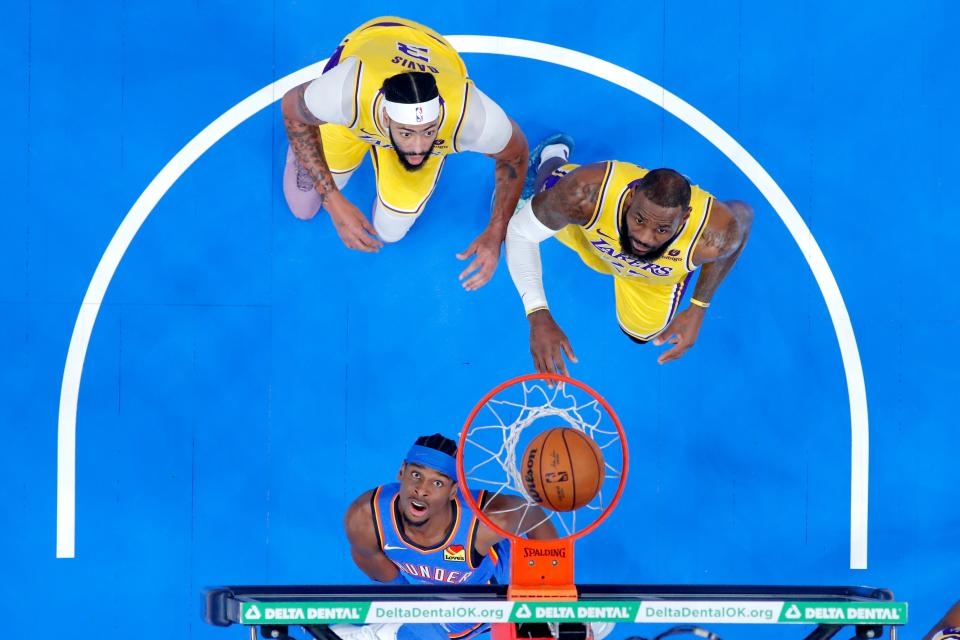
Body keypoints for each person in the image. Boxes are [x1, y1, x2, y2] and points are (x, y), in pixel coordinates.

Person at [281, 17, 528, 290]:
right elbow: (293, 109)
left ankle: (384, 170)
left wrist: (496, 232)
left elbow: (515, 154)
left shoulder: (469, 117)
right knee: (303, 206)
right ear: (386, 118)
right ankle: (305, 152)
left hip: (435, 54)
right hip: (355, 108)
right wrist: (332, 201)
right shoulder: (345, 93)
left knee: (390, 231)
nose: (419, 148)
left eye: (429, 131)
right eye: (408, 133)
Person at [505, 135, 753, 372]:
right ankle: (552, 154)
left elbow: (740, 220)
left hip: (649, 277)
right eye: (639, 219)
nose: (645, 238)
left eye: (662, 228)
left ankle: (685, 205)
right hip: (589, 233)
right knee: (546, 194)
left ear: (685, 217)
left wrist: (699, 306)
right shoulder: (586, 193)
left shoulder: (713, 234)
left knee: (640, 334)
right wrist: (537, 314)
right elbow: (519, 234)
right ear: (631, 197)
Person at [342, 434, 555, 640]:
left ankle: (387, 632)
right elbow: (395, 590)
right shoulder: (366, 520)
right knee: (435, 632)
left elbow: (534, 514)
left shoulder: (487, 521)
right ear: (402, 471)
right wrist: (419, 623)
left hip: (506, 583)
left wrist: (548, 590)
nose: (421, 490)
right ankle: (387, 632)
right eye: (416, 475)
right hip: (454, 606)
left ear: (454, 491)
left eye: (437, 483)